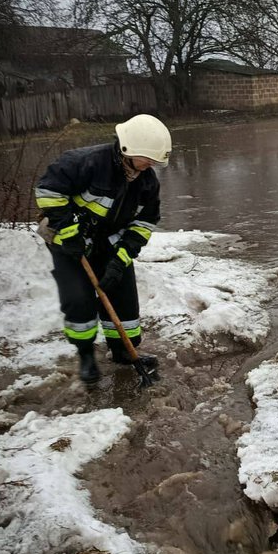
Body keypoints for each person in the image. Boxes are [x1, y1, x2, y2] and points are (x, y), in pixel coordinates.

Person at [35, 113, 171, 383]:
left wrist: (121, 258)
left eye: (154, 160)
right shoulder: (84, 163)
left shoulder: (146, 181)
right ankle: (86, 355)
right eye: (147, 158)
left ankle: (123, 351)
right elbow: (48, 191)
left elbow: (145, 222)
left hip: (110, 243)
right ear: (126, 149)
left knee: (124, 298)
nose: (151, 164)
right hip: (68, 243)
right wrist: (70, 232)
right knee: (79, 300)